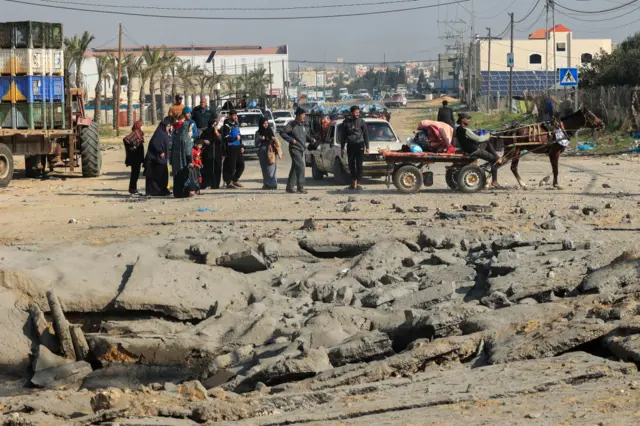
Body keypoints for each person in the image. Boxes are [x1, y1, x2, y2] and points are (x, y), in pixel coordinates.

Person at [455, 112, 502, 187]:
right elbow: (479, 139)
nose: (469, 120)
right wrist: (488, 135)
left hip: (468, 149)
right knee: (495, 160)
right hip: (474, 151)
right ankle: (494, 181)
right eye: (468, 119)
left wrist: (486, 138)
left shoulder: (458, 129)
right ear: (462, 120)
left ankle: (496, 157)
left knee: (487, 142)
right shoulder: (465, 130)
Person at [281, 107, 314, 194]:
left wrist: (311, 140)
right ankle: (301, 187)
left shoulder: (302, 125)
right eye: (303, 114)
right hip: (294, 149)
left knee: (295, 168)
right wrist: (291, 140)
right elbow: (282, 132)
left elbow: (305, 136)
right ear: (299, 115)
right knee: (301, 167)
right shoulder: (292, 124)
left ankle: (289, 187)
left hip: (301, 149)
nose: (304, 116)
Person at [340, 105, 370, 191]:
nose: (357, 114)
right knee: (351, 163)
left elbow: (366, 135)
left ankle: (357, 181)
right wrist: (342, 148)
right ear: (351, 112)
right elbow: (343, 136)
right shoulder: (346, 122)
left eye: (358, 112)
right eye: (356, 112)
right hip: (350, 145)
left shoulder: (362, 122)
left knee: (359, 164)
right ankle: (354, 180)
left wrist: (367, 147)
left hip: (360, 145)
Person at [170, 109, 196, 198]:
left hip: (175, 162)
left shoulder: (175, 136)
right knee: (185, 176)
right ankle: (185, 192)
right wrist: (190, 161)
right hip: (184, 162)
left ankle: (177, 193)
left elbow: (170, 148)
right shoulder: (186, 138)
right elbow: (188, 151)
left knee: (177, 176)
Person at [145, 117, 171, 196]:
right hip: (154, 159)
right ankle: (153, 191)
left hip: (160, 160)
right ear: (164, 126)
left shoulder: (164, 133)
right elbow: (155, 143)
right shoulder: (159, 133)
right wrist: (161, 151)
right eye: (167, 126)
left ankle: (161, 190)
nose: (169, 128)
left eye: (169, 126)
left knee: (163, 175)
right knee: (153, 176)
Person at [256, 116, 282, 190]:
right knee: (265, 168)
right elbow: (256, 143)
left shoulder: (270, 130)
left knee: (272, 167)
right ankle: (267, 184)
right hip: (263, 151)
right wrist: (260, 139)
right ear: (261, 124)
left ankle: (273, 184)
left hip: (271, 151)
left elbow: (273, 139)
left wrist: (272, 139)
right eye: (264, 123)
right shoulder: (258, 133)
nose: (266, 125)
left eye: (267, 123)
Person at [221, 110, 245, 189]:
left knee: (241, 165)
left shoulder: (236, 124)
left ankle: (235, 180)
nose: (236, 117)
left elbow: (239, 136)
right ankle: (228, 182)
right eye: (234, 115)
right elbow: (226, 138)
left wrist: (242, 146)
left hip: (238, 147)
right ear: (230, 116)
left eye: (236, 115)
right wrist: (234, 138)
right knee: (231, 166)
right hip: (231, 147)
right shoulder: (227, 125)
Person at [200, 117, 224, 189]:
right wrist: (204, 141)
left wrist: (216, 132)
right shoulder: (206, 131)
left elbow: (221, 141)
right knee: (208, 169)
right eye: (214, 124)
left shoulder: (218, 131)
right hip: (208, 153)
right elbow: (200, 140)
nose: (215, 126)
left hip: (217, 153)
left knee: (217, 168)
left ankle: (216, 184)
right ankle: (208, 183)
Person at [123, 120, 145, 195]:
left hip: (137, 158)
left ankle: (133, 189)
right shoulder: (135, 133)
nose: (142, 127)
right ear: (138, 126)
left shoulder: (139, 133)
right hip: (134, 158)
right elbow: (126, 139)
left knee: (136, 173)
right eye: (141, 125)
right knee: (134, 174)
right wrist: (132, 147)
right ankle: (132, 189)